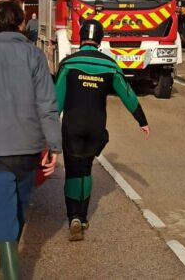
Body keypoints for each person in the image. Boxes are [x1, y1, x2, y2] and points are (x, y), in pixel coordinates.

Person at [0, 0, 61, 280]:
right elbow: (47, 103)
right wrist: (53, 145)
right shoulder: (34, 55)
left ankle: (9, 272)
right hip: (28, 147)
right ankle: (7, 268)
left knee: (6, 211)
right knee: (18, 208)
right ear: (21, 23)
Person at [55, 20, 150, 241]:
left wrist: (45, 127)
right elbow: (128, 95)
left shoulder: (68, 63)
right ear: (100, 39)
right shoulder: (110, 65)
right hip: (96, 125)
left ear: (79, 37)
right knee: (86, 169)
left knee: (73, 169)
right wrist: (141, 120)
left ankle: (73, 217)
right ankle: (84, 216)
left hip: (73, 125)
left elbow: (56, 101)